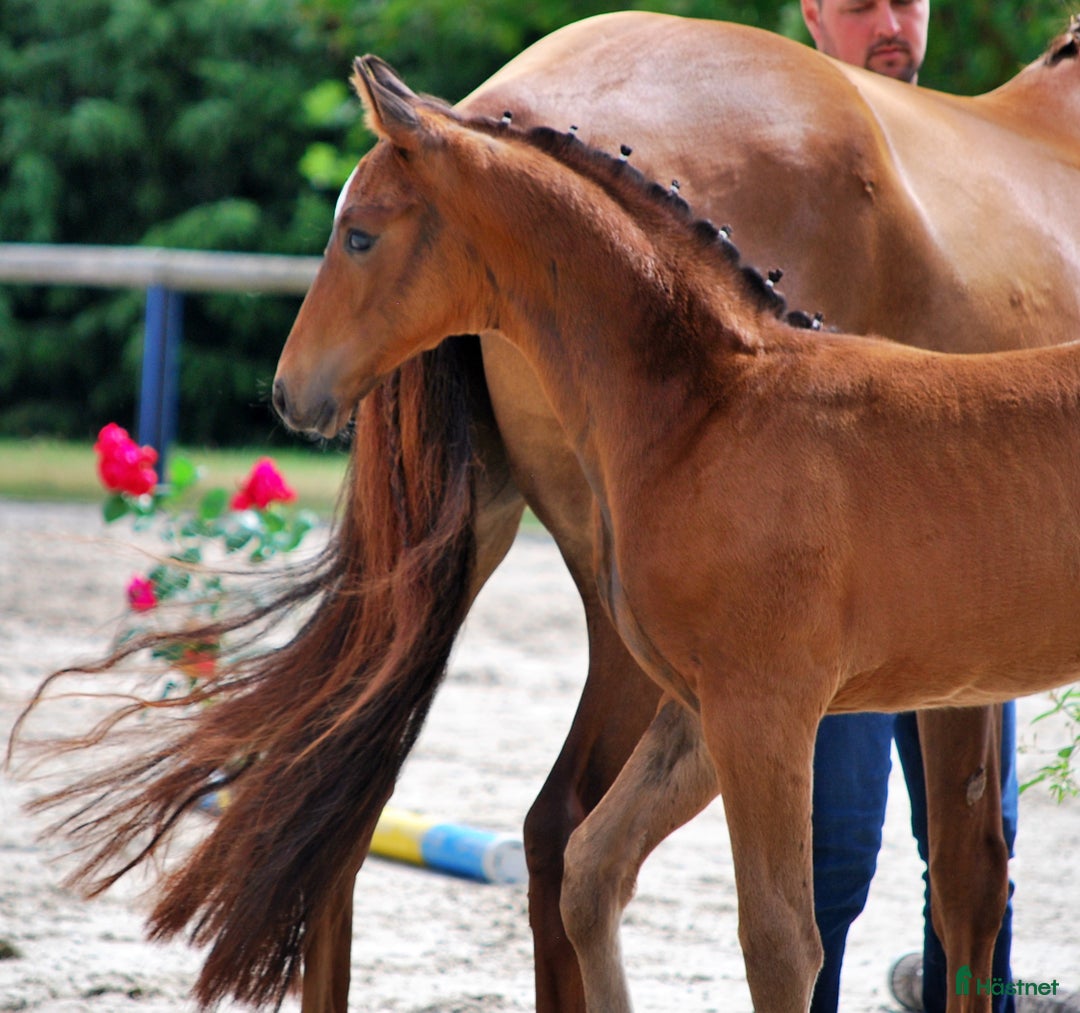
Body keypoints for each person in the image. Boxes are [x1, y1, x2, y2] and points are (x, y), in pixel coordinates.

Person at [797, 3, 1020, 1012]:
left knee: (977, 851)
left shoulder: (983, 162)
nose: (890, 21)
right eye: (857, 4)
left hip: (968, 561)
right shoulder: (777, 168)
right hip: (835, 568)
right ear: (810, 13)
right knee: (832, 852)